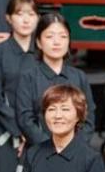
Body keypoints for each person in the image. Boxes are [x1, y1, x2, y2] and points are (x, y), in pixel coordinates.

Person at [16, 13, 97, 146]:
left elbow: (89, 117)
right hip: (40, 152)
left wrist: (73, 147)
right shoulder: (28, 77)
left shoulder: (79, 76)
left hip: (76, 153)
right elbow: (25, 120)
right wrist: (51, 147)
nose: (57, 42)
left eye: (63, 36)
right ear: (38, 42)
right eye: (49, 36)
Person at [0, 0, 38, 172]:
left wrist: (32, 130)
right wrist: (20, 129)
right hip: (4, 132)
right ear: (8, 18)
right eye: (19, 13)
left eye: (31, 14)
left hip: (38, 132)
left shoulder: (42, 51)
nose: (26, 19)